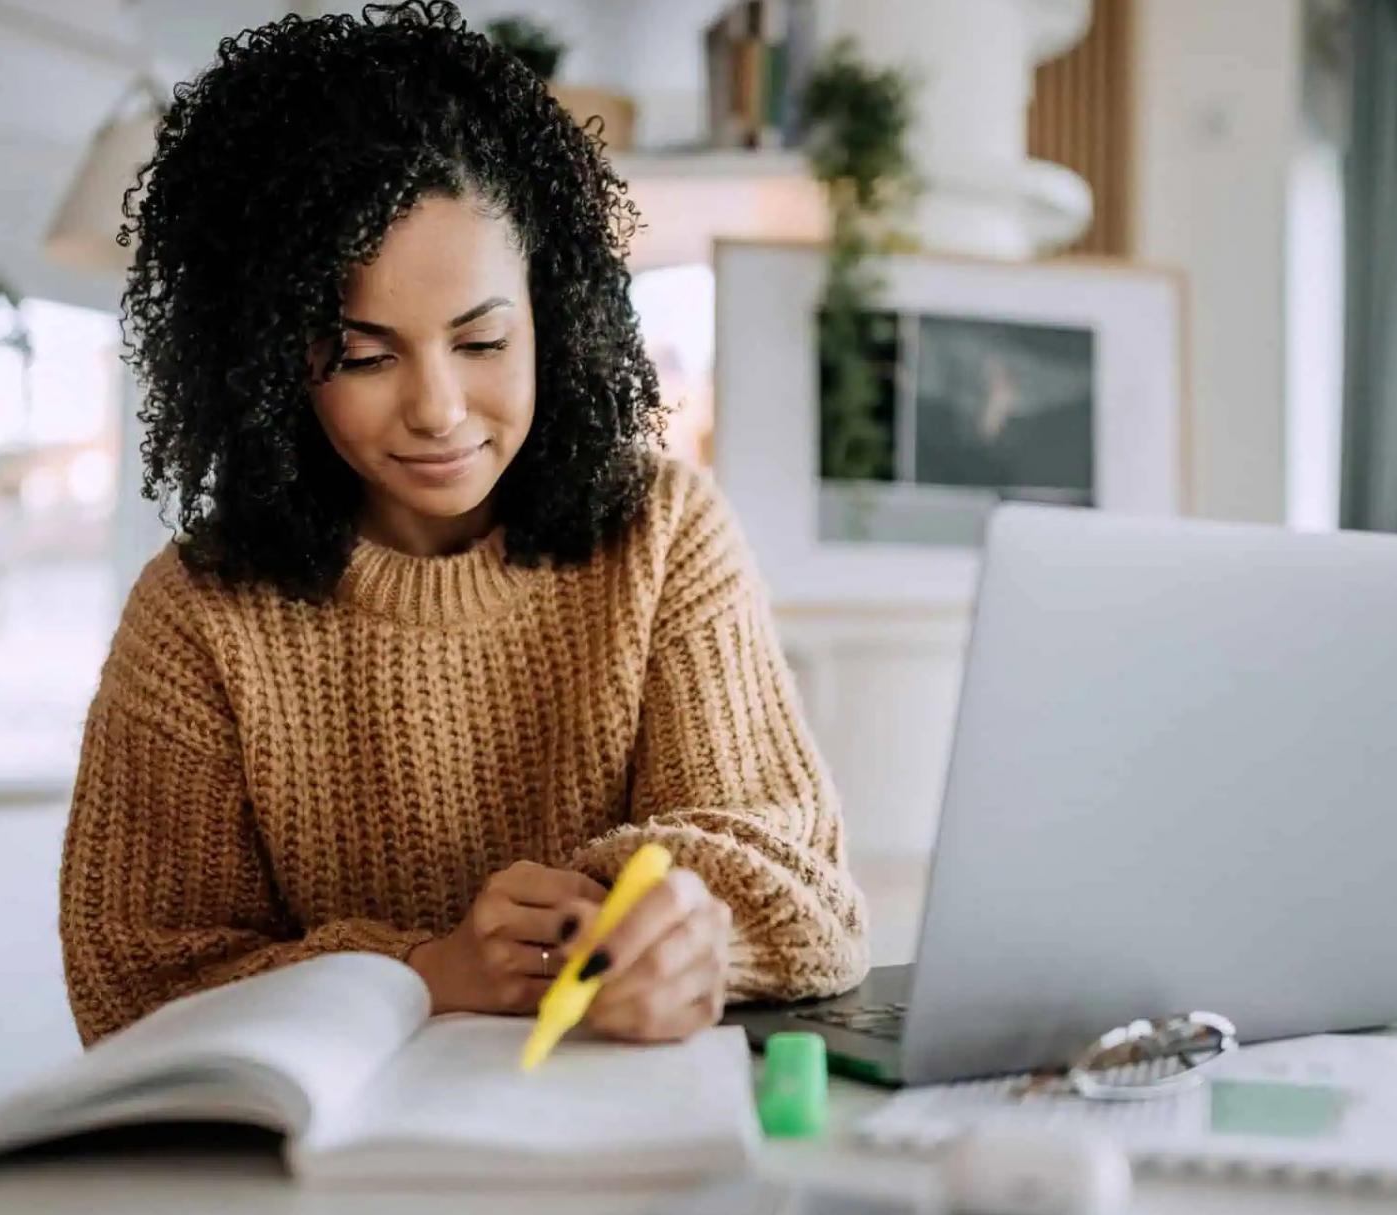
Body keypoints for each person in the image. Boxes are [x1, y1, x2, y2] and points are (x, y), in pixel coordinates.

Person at [60, 1, 868, 1048]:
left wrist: (689, 929)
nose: (437, 407)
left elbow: (807, 890)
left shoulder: (662, 534)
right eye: (363, 354)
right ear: (265, 363)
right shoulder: (197, 617)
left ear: (552, 314)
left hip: (637, 1140)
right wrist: (426, 970)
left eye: (481, 339)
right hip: (324, 1186)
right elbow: (132, 983)